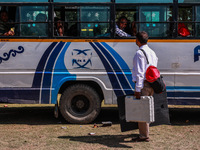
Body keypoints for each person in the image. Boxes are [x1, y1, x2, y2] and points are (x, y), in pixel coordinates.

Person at [132, 31, 158, 142]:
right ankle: (146, 132)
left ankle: (143, 136)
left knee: (142, 110)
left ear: (137, 40)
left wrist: (138, 89)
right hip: (152, 83)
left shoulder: (139, 53)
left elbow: (140, 73)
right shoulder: (152, 52)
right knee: (148, 109)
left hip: (144, 85)